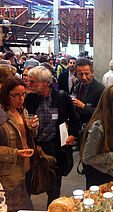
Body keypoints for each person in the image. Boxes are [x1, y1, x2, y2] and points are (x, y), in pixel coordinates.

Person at [25, 66, 80, 207]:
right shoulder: (28, 98)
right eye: (28, 81)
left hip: (55, 150)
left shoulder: (61, 98)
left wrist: (72, 134)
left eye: (33, 82)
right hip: (33, 149)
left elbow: (75, 120)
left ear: (45, 83)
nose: (28, 84)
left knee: (54, 189)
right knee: (29, 185)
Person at [80, 85, 113, 189]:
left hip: (112, 172)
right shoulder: (98, 127)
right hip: (99, 177)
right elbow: (87, 158)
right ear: (109, 103)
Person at [0, 77, 39, 211]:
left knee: (25, 204)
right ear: (6, 94)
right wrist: (16, 153)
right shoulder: (2, 115)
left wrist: (33, 128)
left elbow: (28, 137)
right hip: (8, 174)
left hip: (26, 167)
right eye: (16, 95)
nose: (21, 99)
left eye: (23, 94)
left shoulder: (22, 111)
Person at [73, 58, 105, 125]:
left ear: (92, 72)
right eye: (81, 74)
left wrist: (84, 106)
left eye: (87, 74)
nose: (84, 77)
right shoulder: (78, 85)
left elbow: (102, 113)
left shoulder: (100, 89)